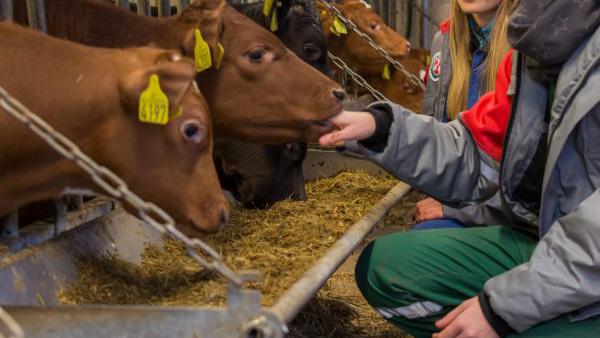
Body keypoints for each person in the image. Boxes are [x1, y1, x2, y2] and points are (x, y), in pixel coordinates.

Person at [319, 0, 600, 337]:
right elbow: (475, 149)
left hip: (587, 258)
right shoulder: (537, 42)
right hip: (547, 235)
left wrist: (502, 309)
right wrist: (379, 127)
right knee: (388, 268)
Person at [415, 0, 517, 230]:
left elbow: (529, 176)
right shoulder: (443, 41)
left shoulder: (526, 45)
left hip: (508, 211)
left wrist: (461, 211)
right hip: (456, 195)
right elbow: (435, 127)